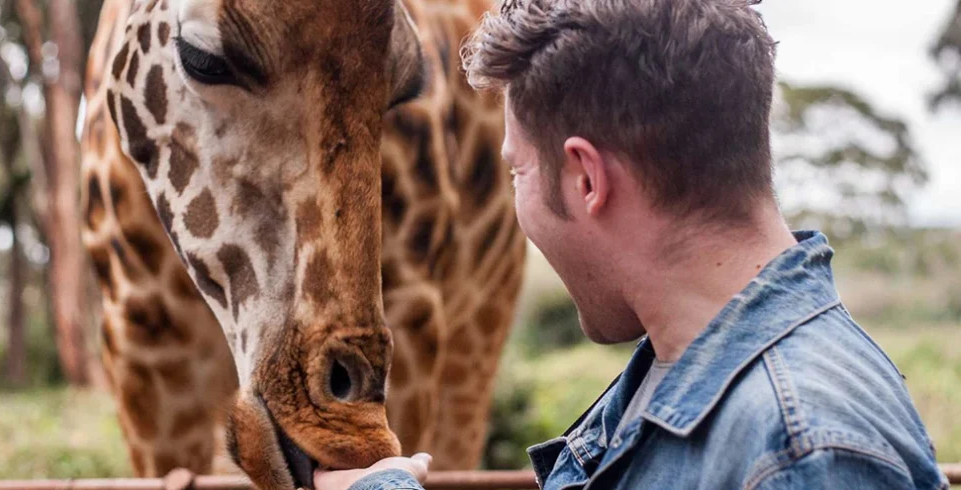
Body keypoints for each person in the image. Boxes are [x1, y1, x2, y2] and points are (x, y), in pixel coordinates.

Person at [314, 0, 951, 488]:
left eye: (519, 172)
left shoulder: (803, 454)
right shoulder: (687, 365)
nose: (517, 201)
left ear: (587, 178)